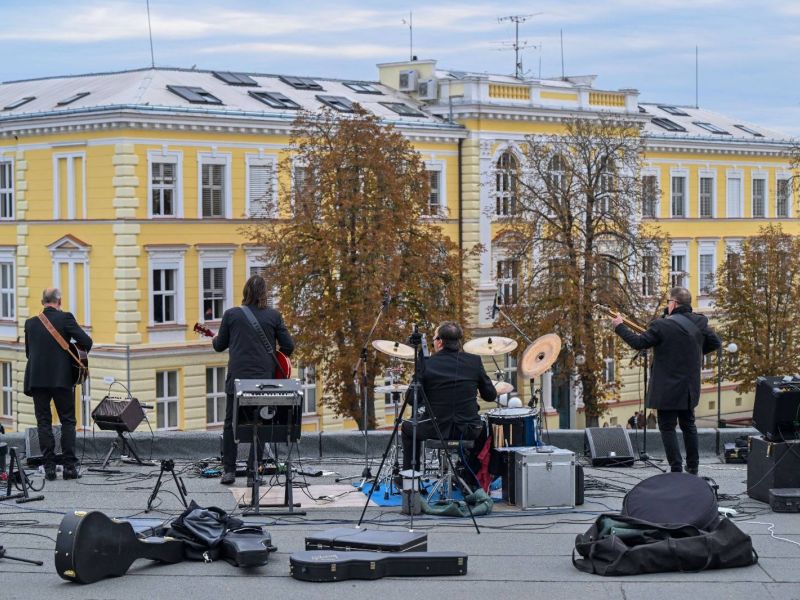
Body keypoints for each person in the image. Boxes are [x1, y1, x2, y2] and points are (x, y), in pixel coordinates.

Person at [611, 287, 720, 474]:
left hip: (666, 388)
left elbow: (638, 342)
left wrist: (619, 326)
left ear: (674, 303)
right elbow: (715, 343)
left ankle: (676, 467)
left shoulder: (661, 325)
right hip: (688, 387)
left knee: (667, 427)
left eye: (669, 301)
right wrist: (694, 351)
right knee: (689, 425)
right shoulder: (700, 322)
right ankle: (693, 466)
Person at [213, 275, 294, 485]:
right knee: (261, 424)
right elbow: (289, 347)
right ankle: (253, 474)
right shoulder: (274, 316)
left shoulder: (231, 315)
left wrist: (216, 338)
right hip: (263, 382)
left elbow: (219, 345)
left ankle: (229, 471)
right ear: (264, 294)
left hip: (236, 381)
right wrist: (273, 356)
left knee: (231, 424)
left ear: (245, 292)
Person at [401, 321, 497, 472]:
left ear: (439, 342)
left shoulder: (428, 364)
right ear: (458, 340)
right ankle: (471, 478)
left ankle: (410, 478)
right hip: (468, 430)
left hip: (435, 429)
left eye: (434, 339)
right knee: (483, 427)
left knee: (407, 427)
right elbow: (491, 396)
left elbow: (413, 400)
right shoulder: (474, 361)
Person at [23, 288, 93, 481]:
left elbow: (29, 353)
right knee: (68, 421)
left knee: (43, 422)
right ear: (59, 302)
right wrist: (68, 349)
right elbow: (87, 342)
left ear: (42, 301)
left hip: (37, 379)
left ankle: (49, 468)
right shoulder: (66, 319)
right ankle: (69, 467)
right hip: (61, 379)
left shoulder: (30, 323)